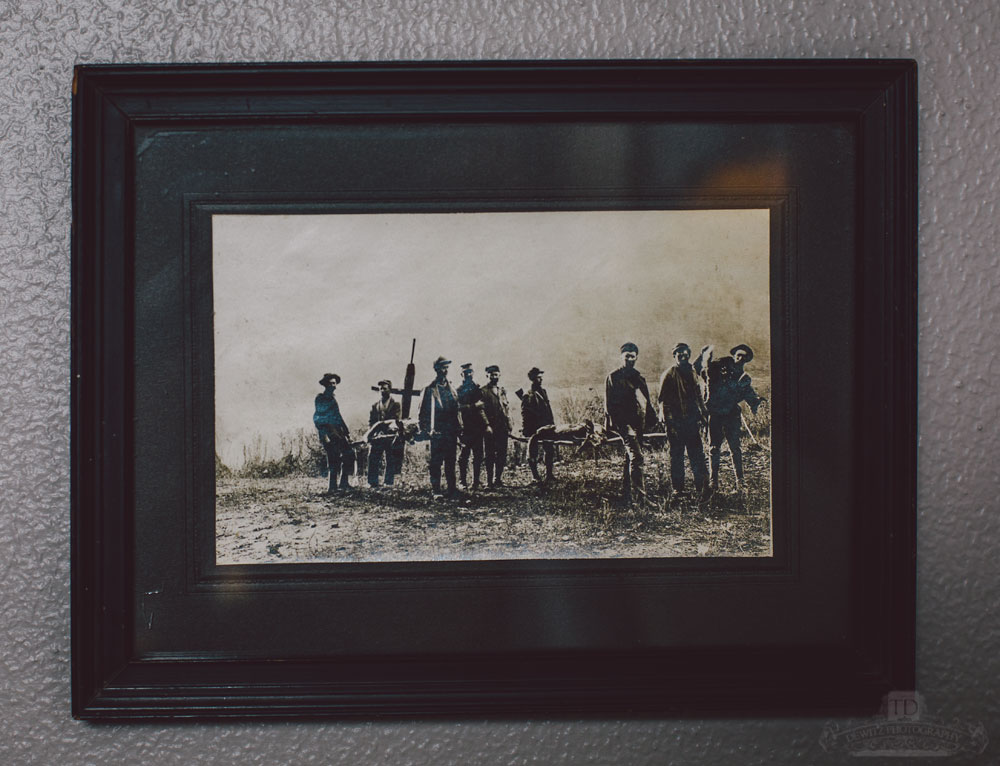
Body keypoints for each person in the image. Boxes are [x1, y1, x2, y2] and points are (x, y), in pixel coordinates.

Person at [695, 344, 765, 494]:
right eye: (739, 355)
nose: (740, 358)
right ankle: (714, 482)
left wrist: (757, 401)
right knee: (714, 448)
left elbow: (749, 395)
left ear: (746, 360)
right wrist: (704, 356)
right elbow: (702, 370)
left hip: (732, 414)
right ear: (734, 355)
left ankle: (740, 482)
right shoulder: (720, 366)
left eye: (744, 357)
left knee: (735, 448)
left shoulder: (743, 378)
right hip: (715, 414)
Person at [604, 342, 655, 504]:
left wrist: (649, 421)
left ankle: (626, 495)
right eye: (627, 356)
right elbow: (610, 405)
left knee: (630, 458)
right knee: (637, 458)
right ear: (622, 357)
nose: (630, 359)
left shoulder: (639, 378)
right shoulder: (614, 377)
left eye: (633, 356)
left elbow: (646, 401)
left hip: (638, 423)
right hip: (624, 425)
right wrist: (623, 425)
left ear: (636, 357)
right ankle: (641, 499)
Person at [657, 342, 709, 497]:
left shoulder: (692, 372)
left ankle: (702, 487)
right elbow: (662, 401)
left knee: (697, 454)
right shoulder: (669, 374)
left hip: (691, 421)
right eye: (679, 355)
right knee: (677, 456)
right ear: (674, 356)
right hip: (676, 422)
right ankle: (678, 489)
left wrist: (703, 414)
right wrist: (669, 422)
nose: (683, 357)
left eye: (686, 354)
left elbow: (698, 395)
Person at [418, 356, 462, 499]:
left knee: (451, 460)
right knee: (436, 462)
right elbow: (422, 413)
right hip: (437, 431)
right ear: (436, 369)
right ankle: (436, 490)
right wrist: (426, 430)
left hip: (451, 430)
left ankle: (452, 489)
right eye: (442, 367)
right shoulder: (430, 389)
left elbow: (457, 409)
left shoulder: (451, 388)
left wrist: (458, 427)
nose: (445, 370)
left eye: (447, 367)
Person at [313, 373, 354, 493]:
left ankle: (344, 483)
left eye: (334, 383)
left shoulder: (333, 399)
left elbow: (338, 417)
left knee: (349, 454)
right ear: (326, 385)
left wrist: (346, 433)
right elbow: (318, 417)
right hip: (328, 433)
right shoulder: (320, 398)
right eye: (330, 383)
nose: (333, 385)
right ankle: (332, 487)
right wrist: (324, 434)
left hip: (338, 432)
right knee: (333, 458)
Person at [456, 363, 491, 490]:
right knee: (463, 455)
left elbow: (482, 407)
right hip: (465, 427)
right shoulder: (458, 390)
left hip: (477, 427)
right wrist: (472, 407)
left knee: (478, 455)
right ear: (462, 375)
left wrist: (486, 424)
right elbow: (458, 408)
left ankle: (476, 481)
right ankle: (462, 481)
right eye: (466, 373)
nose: (469, 374)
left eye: (470, 372)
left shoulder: (477, 389)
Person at [519, 366, 556, 482]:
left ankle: (549, 475)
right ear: (533, 379)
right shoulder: (528, 394)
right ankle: (535, 476)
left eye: (541, 378)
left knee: (549, 450)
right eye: (538, 378)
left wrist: (551, 423)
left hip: (547, 426)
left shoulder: (543, 391)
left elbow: (548, 409)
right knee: (532, 452)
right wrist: (528, 430)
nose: (540, 380)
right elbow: (525, 413)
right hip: (534, 428)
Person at [479, 364, 512, 487]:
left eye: (496, 375)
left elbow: (506, 408)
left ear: (499, 375)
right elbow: (481, 410)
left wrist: (509, 423)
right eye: (492, 375)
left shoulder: (502, 391)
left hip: (502, 427)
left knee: (502, 454)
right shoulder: (483, 391)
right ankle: (489, 482)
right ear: (487, 375)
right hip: (490, 428)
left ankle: (497, 479)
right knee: (490, 455)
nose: (494, 377)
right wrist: (486, 425)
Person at [367, 379, 402, 487]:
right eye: (381, 388)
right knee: (373, 457)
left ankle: (388, 482)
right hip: (377, 436)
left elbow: (395, 419)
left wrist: (385, 427)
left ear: (389, 390)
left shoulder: (396, 404)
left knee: (390, 458)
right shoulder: (375, 405)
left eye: (385, 388)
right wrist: (372, 432)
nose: (382, 390)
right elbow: (371, 421)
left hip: (390, 436)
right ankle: (372, 482)